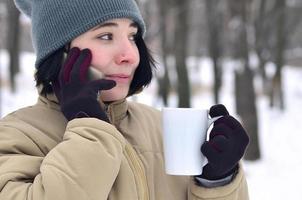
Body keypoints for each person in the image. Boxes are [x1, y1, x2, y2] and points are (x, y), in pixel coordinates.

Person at [0, 0, 249, 199]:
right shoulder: (17, 137)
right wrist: (89, 127)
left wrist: (218, 182)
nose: (130, 55)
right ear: (61, 53)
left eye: (132, 36)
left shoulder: (162, 129)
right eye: (106, 36)